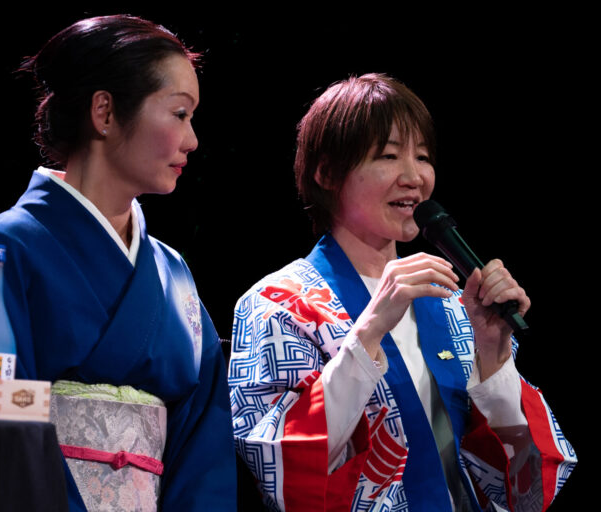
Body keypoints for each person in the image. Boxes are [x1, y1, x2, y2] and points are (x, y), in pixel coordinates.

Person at [229, 73, 577, 511]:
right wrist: (369, 331)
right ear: (328, 173)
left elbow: (526, 485)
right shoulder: (279, 303)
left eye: (424, 157)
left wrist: (493, 353)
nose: (414, 177)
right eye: (389, 156)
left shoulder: (450, 304)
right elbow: (280, 466)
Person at [0, 15, 236, 511]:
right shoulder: (7, 248)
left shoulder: (172, 273)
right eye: (179, 114)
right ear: (105, 111)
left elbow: (204, 443)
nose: (192, 140)